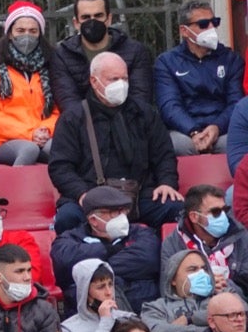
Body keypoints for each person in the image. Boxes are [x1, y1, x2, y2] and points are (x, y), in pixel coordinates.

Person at [49, 51, 183, 230]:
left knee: (178, 211)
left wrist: (167, 183)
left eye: (125, 79)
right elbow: (60, 167)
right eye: (114, 79)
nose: (121, 85)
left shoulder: (145, 113)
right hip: (90, 196)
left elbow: (164, 155)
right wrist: (81, 193)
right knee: (68, 219)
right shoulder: (72, 118)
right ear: (94, 81)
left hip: (140, 194)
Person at [46, 186, 162, 312]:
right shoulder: (69, 240)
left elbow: (149, 259)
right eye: (115, 212)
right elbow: (65, 265)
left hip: (145, 309)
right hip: (93, 318)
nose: (121, 217)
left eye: (123, 211)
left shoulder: (142, 233)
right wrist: (109, 250)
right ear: (94, 220)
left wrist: (94, 270)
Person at [49, 0, 158, 119]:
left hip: (129, 125)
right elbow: (69, 102)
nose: (92, 21)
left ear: (109, 19)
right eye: (85, 17)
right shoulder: (63, 55)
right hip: (84, 128)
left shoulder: (135, 51)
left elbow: (141, 99)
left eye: (98, 16)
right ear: (76, 23)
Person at [0, 0, 58, 166]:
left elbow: (58, 111)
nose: (26, 35)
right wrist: (29, 134)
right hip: (2, 140)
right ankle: (16, 192)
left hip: (44, 135)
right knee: (29, 150)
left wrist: (46, 130)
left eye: (33, 31)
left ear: (39, 34)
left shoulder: (51, 65)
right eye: (20, 30)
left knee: (58, 148)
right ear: (10, 33)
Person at [155, 0, 244, 156]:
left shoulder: (231, 59)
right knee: (174, 145)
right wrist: (193, 131)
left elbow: (236, 102)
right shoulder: (167, 62)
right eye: (203, 24)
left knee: (237, 142)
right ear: (184, 30)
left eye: (214, 22)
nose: (211, 28)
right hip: (184, 131)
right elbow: (169, 106)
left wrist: (217, 127)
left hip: (223, 129)